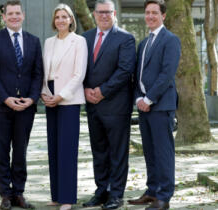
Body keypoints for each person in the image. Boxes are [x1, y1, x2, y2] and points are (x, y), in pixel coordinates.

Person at [0, 0, 43, 209]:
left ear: (23, 15)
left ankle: (19, 193)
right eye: (10, 14)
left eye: (18, 13)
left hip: (26, 106)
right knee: (2, 150)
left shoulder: (34, 41)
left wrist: (33, 98)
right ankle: (5, 195)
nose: (14, 17)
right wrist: (6, 98)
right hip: (1, 106)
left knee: (21, 150)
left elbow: (38, 74)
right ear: (4, 16)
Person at [81, 0, 136, 209]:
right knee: (99, 151)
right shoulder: (84, 38)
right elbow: (79, 68)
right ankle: (101, 192)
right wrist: (85, 88)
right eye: (100, 12)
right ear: (94, 14)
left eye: (108, 12)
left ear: (114, 14)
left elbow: (125, 70)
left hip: (116, 105)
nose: (104, 16)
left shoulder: (125, 38)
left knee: (118, 152)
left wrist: (102, 91)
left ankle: (116, 195)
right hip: (92, 105)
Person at [128, 1, 181, 209]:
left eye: (154, 13)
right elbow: (137, 76)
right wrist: (138, 99)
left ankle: (164, 196)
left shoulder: (171, 40)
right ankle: (152, 191)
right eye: (147, 13)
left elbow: (166, 74)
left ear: (163, 16)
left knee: (163, 152)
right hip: (144, 106)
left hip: (160, 105)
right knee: (149, 151)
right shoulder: (143, 43)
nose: (150, 16)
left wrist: (148, 99)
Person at [41, 4, 87, 210]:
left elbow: (79, 74)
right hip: (50, 94)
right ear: (54, 20)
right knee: (53, 147)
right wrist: (44, 92)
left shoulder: (79, 41)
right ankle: (56, 194)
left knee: (67, 149)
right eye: (57, 16)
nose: (60, 20)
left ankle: (67, 197)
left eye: (64, 16)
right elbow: (44, 71)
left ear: (71, 20)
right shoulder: (48, 42)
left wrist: (60, 96)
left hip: (68, 98)